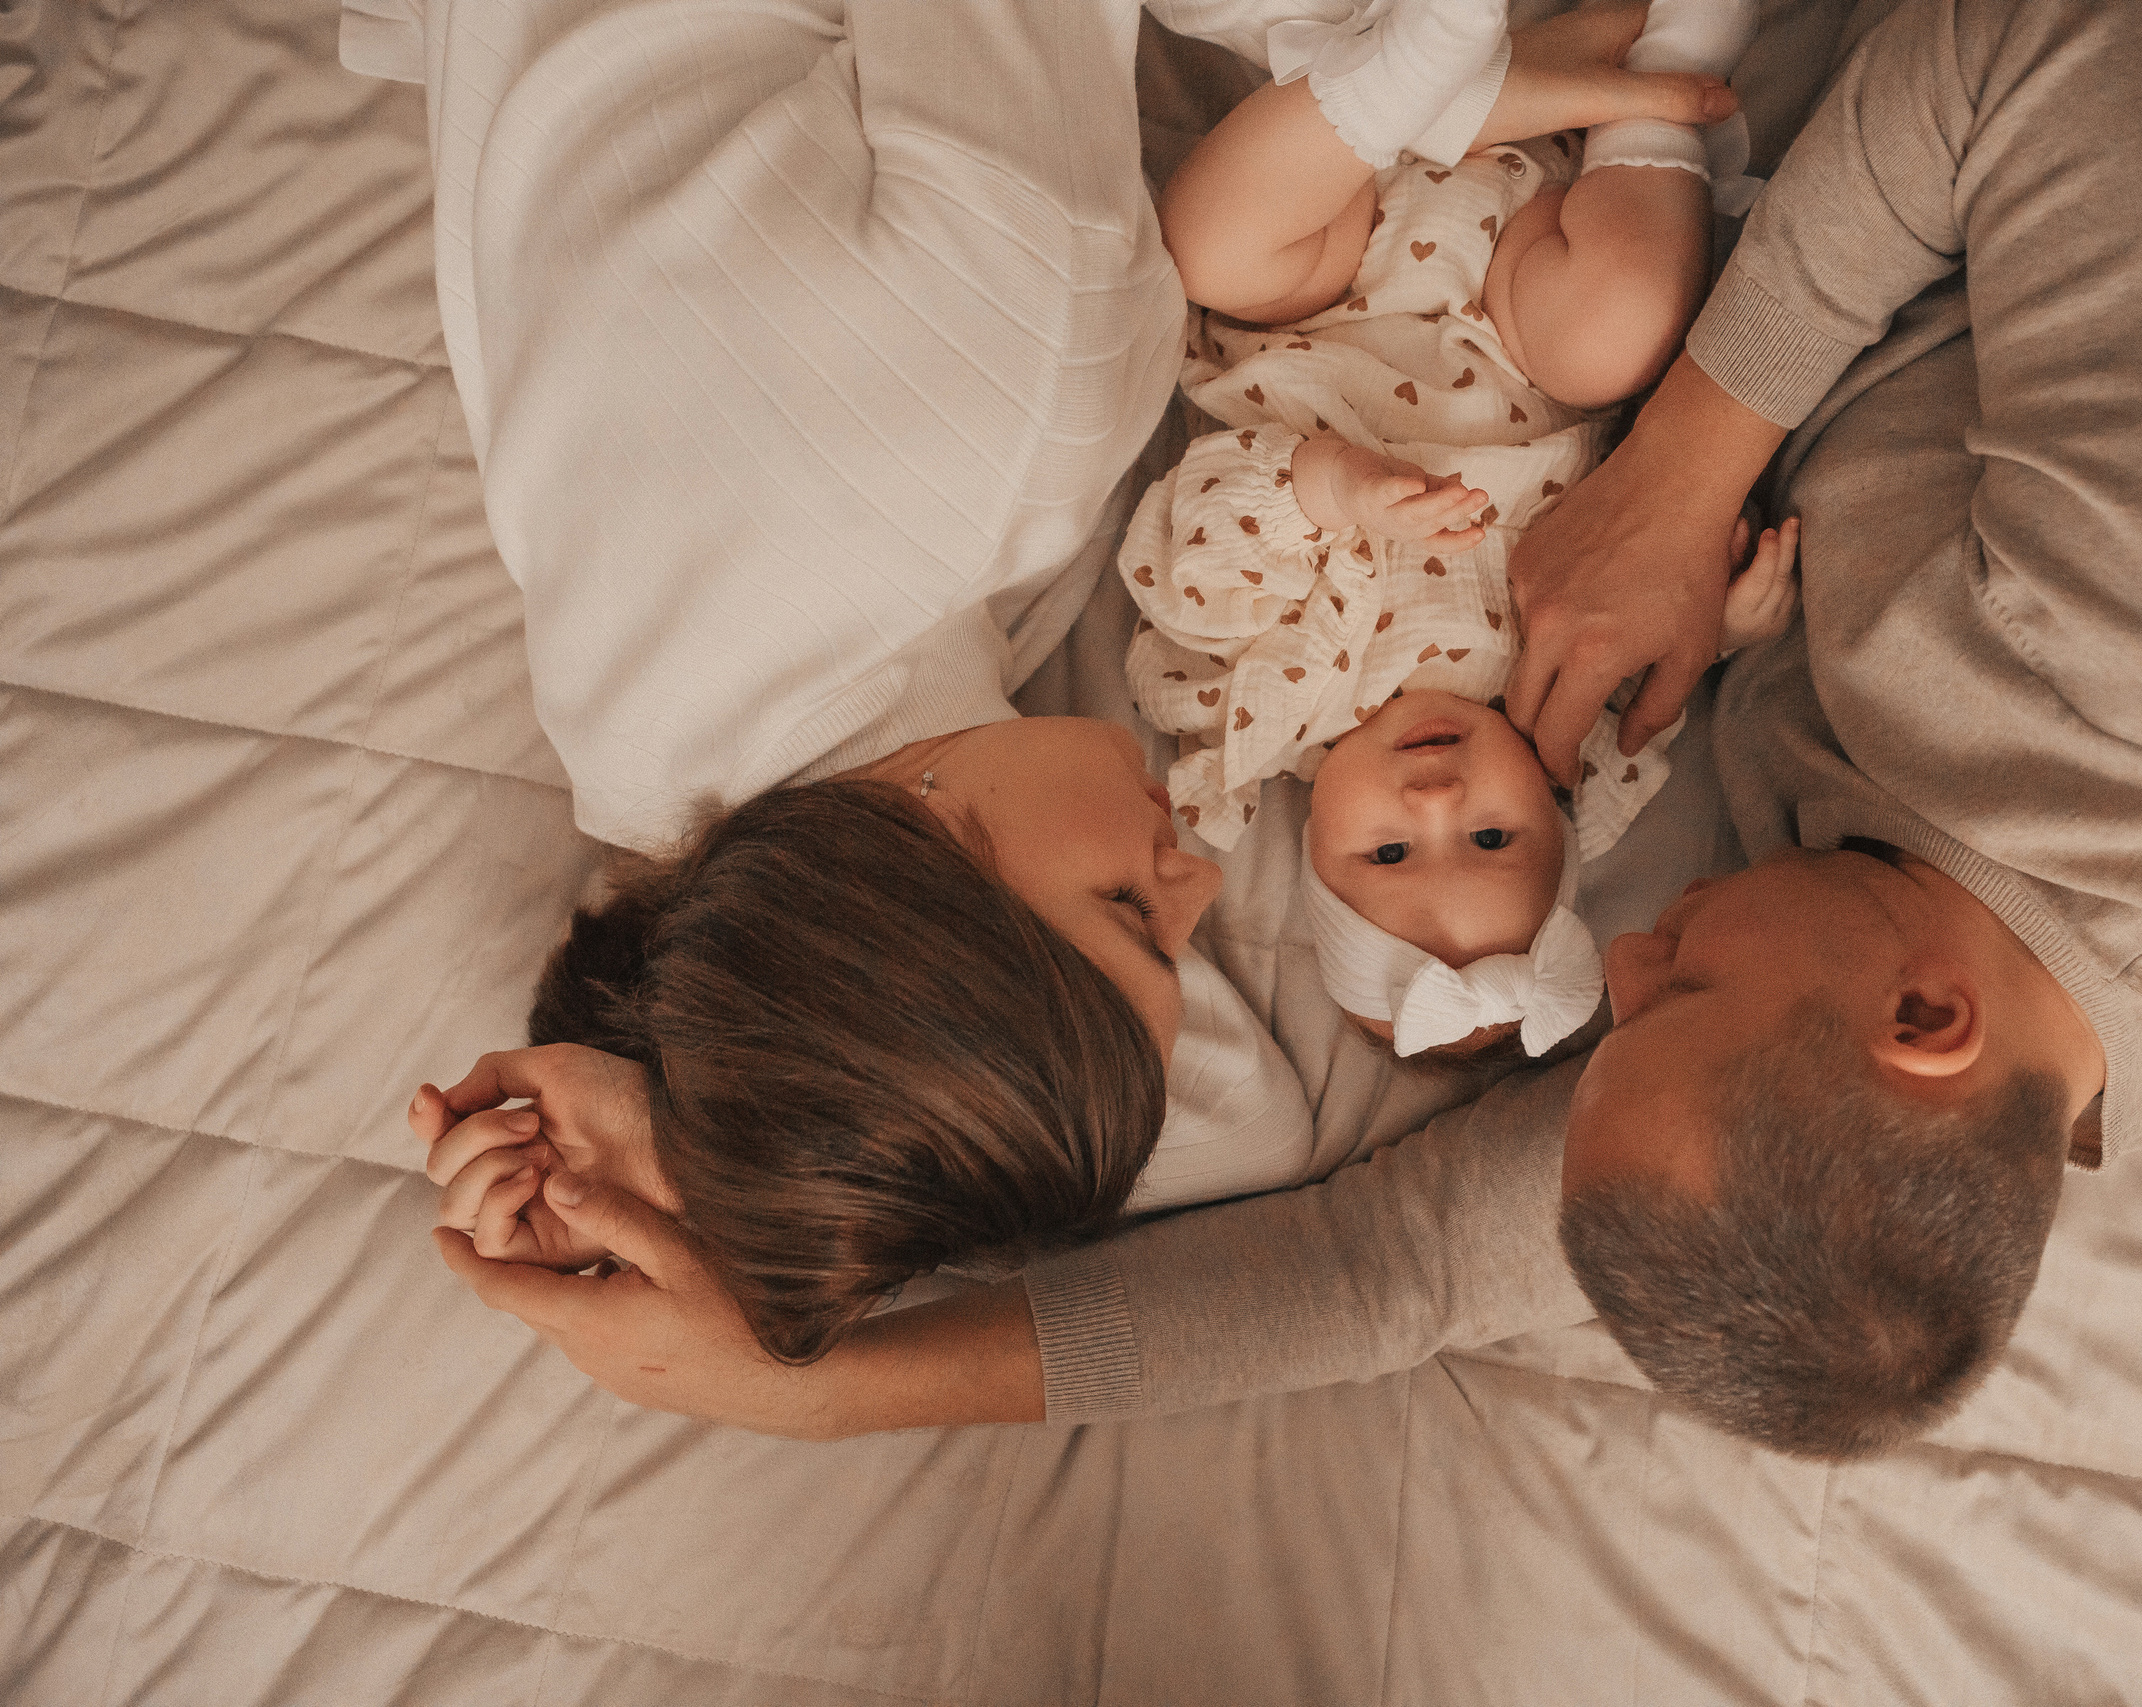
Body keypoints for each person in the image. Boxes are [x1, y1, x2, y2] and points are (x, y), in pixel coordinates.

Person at [425, 0, 2142, 1456]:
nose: (1620, 953)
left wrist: (793, 1375)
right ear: (1923, 1023)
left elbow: (1386, 1280)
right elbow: (2037, 51)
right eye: (1672, 989)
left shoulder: (1846, 1118)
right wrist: (1675, 478)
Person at [375, 0, 1734, 1360]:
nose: (1202, 873)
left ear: (925, 875)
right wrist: (686, 1167)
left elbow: (1238, 1117)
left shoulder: (1031, 381)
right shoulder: (658, 759)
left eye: (1137, 909)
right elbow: (1217, 1117)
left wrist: (1428, 86)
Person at [1121, 0, 1794, 1060]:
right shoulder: (1556, 701)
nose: (1435, 798)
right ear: (1555, 811)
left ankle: (1408, 83)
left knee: (1205, 248)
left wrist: (1326, 492)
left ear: (1312, 857)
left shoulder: (1264, 714)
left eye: (1388, 853)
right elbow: (1654, 668)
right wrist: (1731, 615)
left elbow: (1186, 552)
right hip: (1520, 302)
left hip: (1322, 293)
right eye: (1490, 837)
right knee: (1620, 332)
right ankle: (1661, 82)